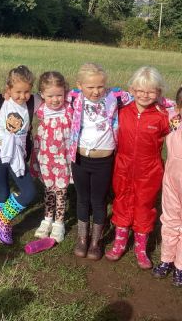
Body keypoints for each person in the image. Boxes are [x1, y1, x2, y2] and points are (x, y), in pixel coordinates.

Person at [106, 66, 171, 269]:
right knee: (122, 200)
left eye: (150, 91)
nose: (144, 95)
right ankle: (120, 242)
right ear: (132, 90)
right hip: (123, 166)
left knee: (144, 205)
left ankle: (141, 248)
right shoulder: (121, 111)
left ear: (158, 92)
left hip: (149, 169)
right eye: (140, 90)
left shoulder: (163, 116)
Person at [68, 63, 133, 260]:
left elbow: (143, 95)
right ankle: (82, 238)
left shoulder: (115, 96)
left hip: (103, 161)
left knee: (98, 200)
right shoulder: (73, 97)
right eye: (90, 87)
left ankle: (95, 241)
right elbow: (47, 94)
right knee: (82, 198)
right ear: (80, 85)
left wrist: (173, 104)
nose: (96, 91)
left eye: (100, 86)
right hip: (79, 159)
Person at [0, 65, 37, 245]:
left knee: (29, 191)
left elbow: (55, 93)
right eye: (18, 91)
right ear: (8, 89)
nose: (22, 96)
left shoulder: (33, 102)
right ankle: (4, 223)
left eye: (27, 91)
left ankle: (0, 220)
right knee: (2, 189)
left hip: (17, 154)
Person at [30, 71, 72, 244]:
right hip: (46, 158)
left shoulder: (69, 108)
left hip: (63, 158)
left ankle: (59, 223)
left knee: (61, 191)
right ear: (42, 94)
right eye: (50, 96)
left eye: (59, 95)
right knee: (49, 189)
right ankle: (47, 219)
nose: (55, 100)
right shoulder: (40, 109)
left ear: (65, 93)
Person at [152, 86, 182, 286]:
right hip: (172, 181)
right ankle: (166, 260)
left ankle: (180, 266)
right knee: (170, 220)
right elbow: (156, 101)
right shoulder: (174, 120)